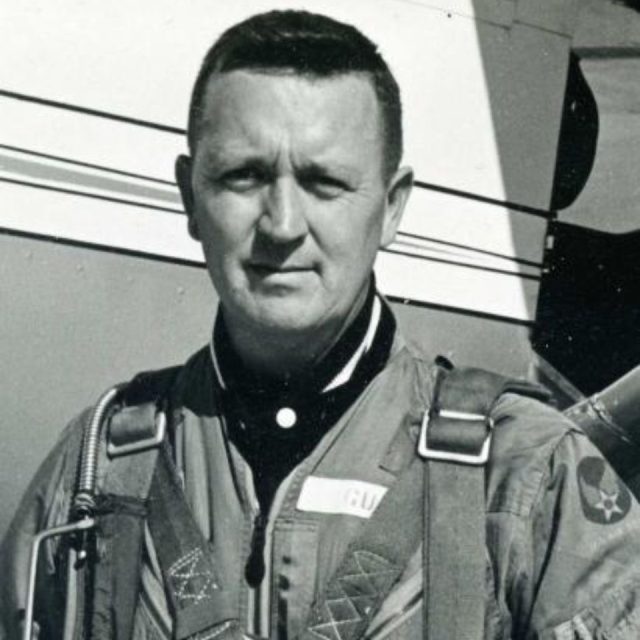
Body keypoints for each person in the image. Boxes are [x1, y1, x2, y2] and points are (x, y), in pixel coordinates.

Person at [3, 9, 640, 640]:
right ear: (190, 197)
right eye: (243, 176)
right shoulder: (102, 466)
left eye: (324, 182)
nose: (281, 224)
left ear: (391, 208)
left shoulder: (522, 474)